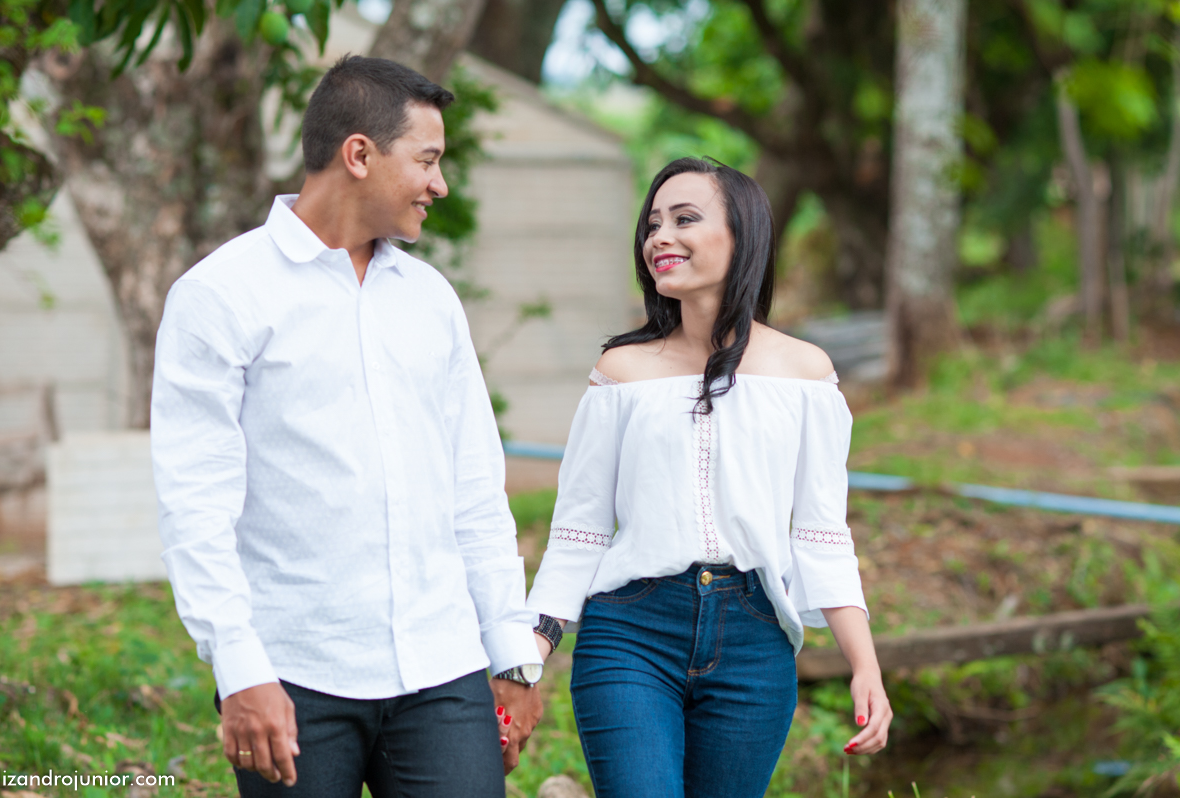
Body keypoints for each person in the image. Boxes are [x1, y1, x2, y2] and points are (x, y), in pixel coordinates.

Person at [151, 55, 547, 798]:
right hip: (292, 673)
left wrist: (513, 655)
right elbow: (195, 502)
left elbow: (474, 490)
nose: (440, 184)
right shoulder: (220, 295)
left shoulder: (431, 299)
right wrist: (239, 667)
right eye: (427, 160)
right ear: (359, 154)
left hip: (442, 670)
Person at [525, 157, 893, 798]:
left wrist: (864, 664)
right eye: (653, 224)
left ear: (742, 235)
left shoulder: (806, 376)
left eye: (685, 219)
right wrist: (528, 655)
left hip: (755, 638)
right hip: (631, 632)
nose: (660, 237)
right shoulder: (622, 372)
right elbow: (579, 530)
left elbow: (821, 534)